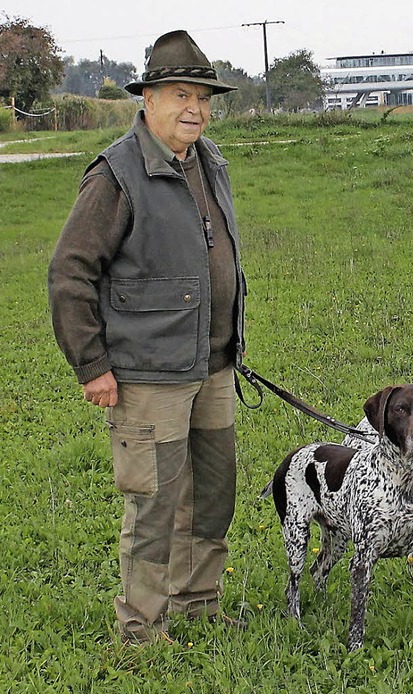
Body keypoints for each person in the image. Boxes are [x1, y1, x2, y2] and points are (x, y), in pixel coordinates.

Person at [48, 30, 247, 645]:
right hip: (148, 374)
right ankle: (140, 628)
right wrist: (92, 365)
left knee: (212, 494)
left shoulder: (207, 161)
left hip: (211, 366)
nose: (195, 108)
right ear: (149, 101)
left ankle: (198, 602)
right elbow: (70, 271)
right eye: (181, 95)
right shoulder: (117, 174)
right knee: (154, 506)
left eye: (204, 97)